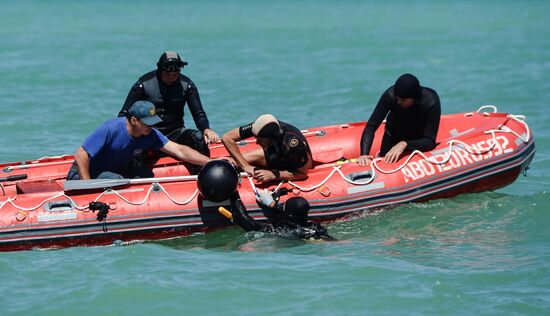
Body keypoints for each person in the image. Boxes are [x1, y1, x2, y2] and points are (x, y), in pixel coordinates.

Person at [67, 101, 210, 180]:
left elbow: (179, 150)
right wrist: (88, 185)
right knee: (116, 180)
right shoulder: (110, 129)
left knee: (146, 175)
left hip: (113, 171)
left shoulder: (150, 134)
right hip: (82, 175)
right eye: (148, 123)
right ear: (134, 120)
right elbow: (81, 154)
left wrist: (209, 162)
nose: (152, 126)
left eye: (153, 122)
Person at [196, 160, 333, 240]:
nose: (281, 206)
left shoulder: (286, 230)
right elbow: (285, 212)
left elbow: (250, 225)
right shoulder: (316, 227)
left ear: (289, 214)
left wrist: (234, 193)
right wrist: (272, 203)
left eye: (283, 206)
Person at [118, 51, 218, 158]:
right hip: (149, 133)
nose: (171, 78)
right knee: (136, 152)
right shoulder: (143, 84)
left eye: (175, 75)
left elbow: (199, 114)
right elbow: (124, 114)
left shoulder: (187, 85)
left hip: (175, 132)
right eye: (167, 75)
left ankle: (202, 169)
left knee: (198, 137)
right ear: (160, 70)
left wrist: (206, 129)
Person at [357, 73, 441, 166]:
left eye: (403, 99)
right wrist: (364, 155)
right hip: (392, 136)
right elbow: (371, 127)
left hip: (417, 140)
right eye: (397, 98)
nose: (398, 102)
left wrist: (404, 144)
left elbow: (430, 141)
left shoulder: (430, 101)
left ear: (414, 98)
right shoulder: (390, 95)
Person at [221, 114, 312, 183]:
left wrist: (274, 175)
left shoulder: (292, 143)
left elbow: (302, 174)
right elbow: (227, 138)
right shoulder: (260, 126)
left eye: (260, 140)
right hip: (274, 154)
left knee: (242, 161)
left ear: (272, 138)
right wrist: (246, 166)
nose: (256, 143)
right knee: (234, 162)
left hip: (291, 161)